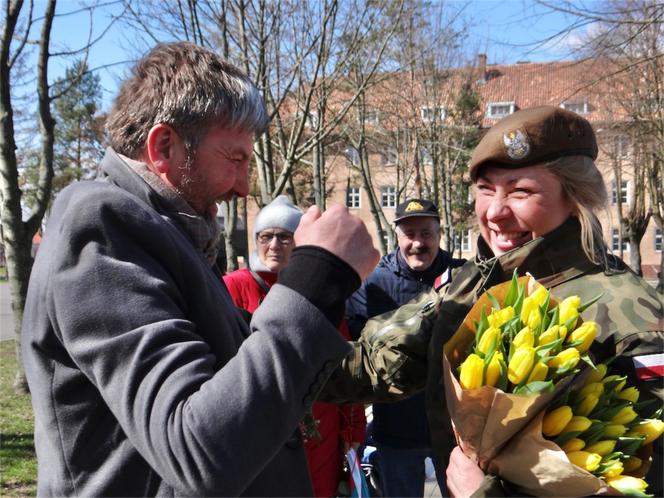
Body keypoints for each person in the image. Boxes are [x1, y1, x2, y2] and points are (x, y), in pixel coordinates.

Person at [20, 42, 431, 497]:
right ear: (163, 146)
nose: (242, 185)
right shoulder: (101, 223)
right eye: (235, 159)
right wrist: (318, 274)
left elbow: (231, 376)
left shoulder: (167, 231)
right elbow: (196, 449)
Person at [422, 106, 663, 497]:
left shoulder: (631, 312)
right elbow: (378, 361)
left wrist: (484, 492)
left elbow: (651, 477)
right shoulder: (470, 285)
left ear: (575, 197)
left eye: (520, 191)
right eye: (485, 189)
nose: (495, 213)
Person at [223, 196, 367, 497]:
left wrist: (352, 430)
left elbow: (342, 359)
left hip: (319, 425)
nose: (274, 245)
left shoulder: (322, 290)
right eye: (266, 236)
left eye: (284, 237)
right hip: (262, 421)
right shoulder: (234, 286)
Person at [346, 198, 465, 497]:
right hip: (395, 428)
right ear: (397, 236)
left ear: (439, 235)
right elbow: (362, 348)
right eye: (409, 235)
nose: (417, 243)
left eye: (426, 233)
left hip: (452, 429)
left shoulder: (463, 278)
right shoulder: (373, 284)